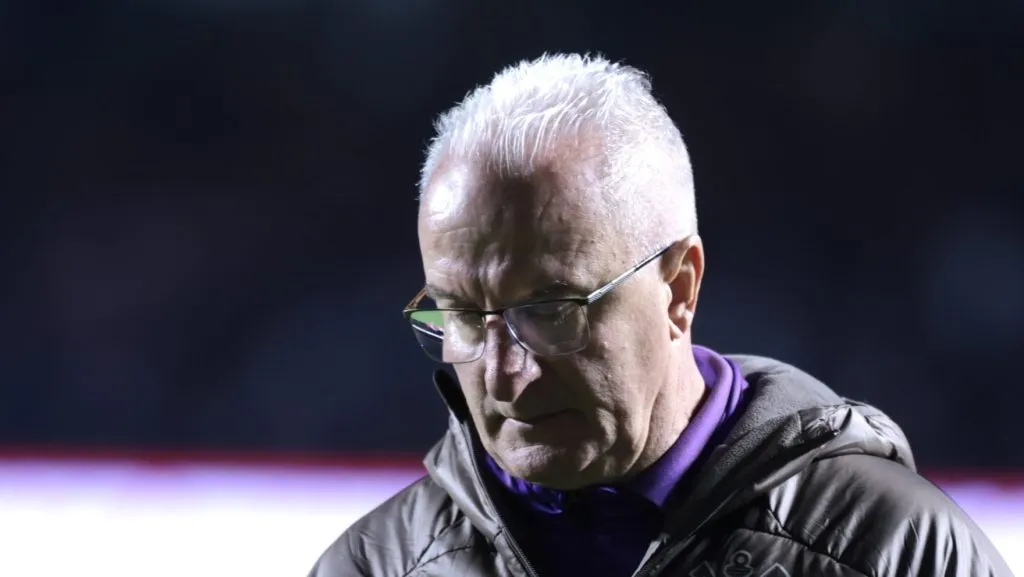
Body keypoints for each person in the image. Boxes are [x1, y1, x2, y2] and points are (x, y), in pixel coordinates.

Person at [309, 54, 1013, 577]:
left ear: (679, 288)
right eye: (462, 314)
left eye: (550, 310)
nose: (503, 375)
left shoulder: (896, 551)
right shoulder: (375, 565)